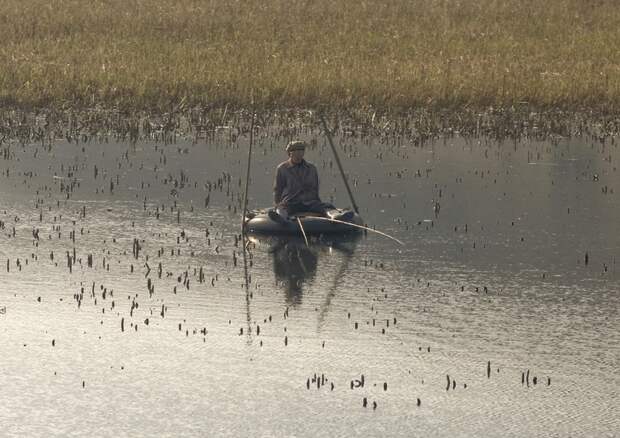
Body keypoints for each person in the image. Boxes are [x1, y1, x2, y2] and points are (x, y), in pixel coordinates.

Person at [269, 140, 352, 223]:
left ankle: (335, 217)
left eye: (301, 151)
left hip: (310, 202)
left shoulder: (311, 168)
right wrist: (277, 204)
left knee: (326, 207)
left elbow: (315, 187)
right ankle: (281, 219)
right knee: (282, 209)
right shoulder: (282, 168)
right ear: (290, 153)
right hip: (291, 202)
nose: (299, 154)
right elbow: (278, 189)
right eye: (296, 151)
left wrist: (316, 201)